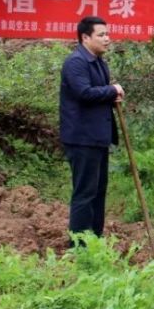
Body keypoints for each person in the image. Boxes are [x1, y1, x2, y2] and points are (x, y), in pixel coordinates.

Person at [59, 16, 124, 241]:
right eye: (102, 35)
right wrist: (111, 90)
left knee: (98, 191)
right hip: (82, 138)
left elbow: (100, 93)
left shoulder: (98, 62)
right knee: (85, 193)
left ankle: (95, 239)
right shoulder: (76, 62)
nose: (108, 39)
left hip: (98, 137)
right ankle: (79, 245)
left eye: (108, 34)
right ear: (85, 37)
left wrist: (112, 95)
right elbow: (84, 93)